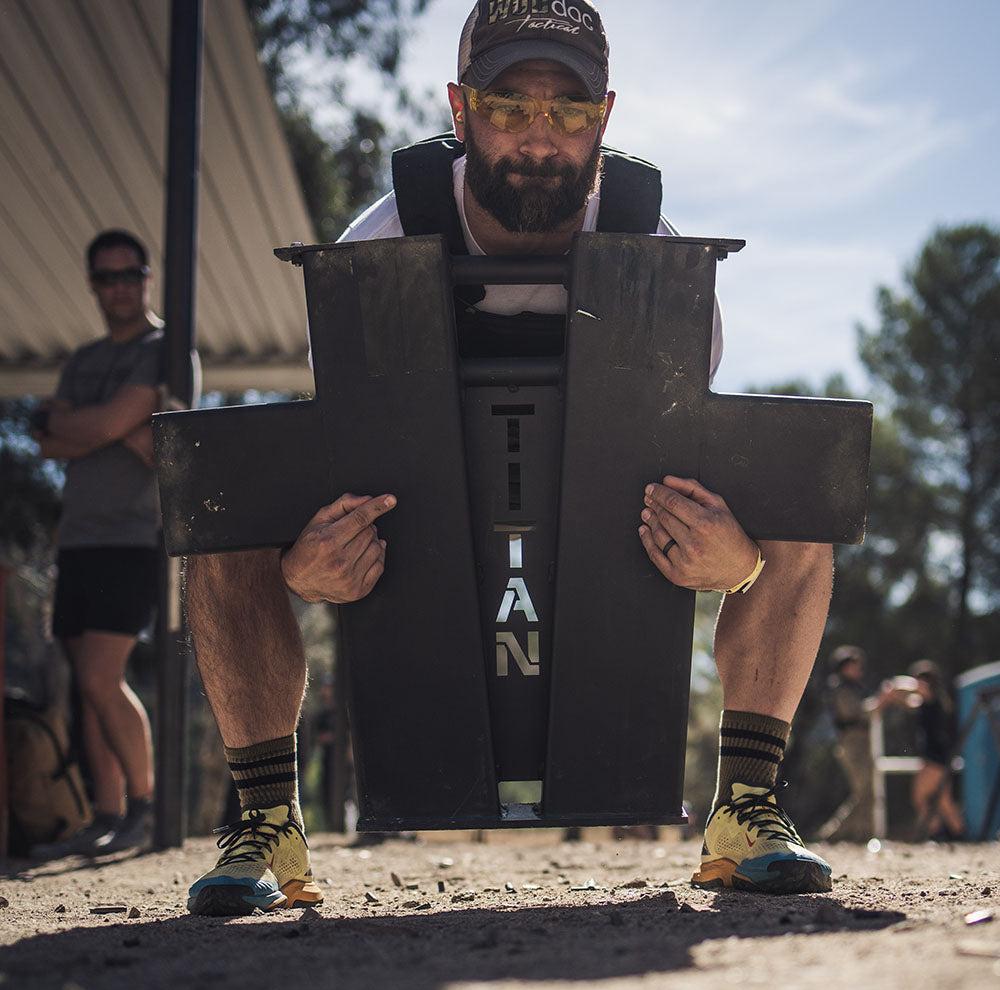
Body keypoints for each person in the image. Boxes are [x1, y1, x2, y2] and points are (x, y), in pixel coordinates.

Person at [184, 0, 835, 916]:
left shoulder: (662, 268)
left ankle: (746, 809)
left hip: (607, 543)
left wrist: (741, 564)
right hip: (418, 542)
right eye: (508, 105)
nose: (540, 135)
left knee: (806, 486)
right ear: (460, 109)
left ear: (604, 120)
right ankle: (266, 823)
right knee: (218, 496)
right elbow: (334, 464)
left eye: (569, 111)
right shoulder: (375, 254)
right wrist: (297, 569)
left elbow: (691, 467)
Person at [30, 229, 165, 858]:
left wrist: (86, 425)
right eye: (107, 278)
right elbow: (45, 442)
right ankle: (106, 817)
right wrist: (114, 428)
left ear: (147, 278)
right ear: (92, 285)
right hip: (77, 541)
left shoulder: (164, 348)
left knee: (100, 677)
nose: (120, 287)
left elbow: (89, 425)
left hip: (132, 539)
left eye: (129, 274)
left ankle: (145, 809)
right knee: (86, 689)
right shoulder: (82, 359)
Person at [817, 645, 892, 842]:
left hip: (860, 744)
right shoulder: (841, 690)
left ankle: (862, 835)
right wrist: (882, 699)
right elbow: (858, 713)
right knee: (863, 792)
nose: (859, 669)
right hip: (852, 745)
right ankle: (833, 834)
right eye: (854, 665)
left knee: (867, 793)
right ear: (844, 667)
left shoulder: (853, 687)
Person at [906, 660, 965, 841]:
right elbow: (909, 702)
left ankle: (934, 833)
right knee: (944, 801)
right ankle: (960, 834)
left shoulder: (932, 698)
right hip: (942, 757)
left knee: (919, 797)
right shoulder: (935, 701)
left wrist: (895, 686)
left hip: (934, 758)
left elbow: (916, 691)